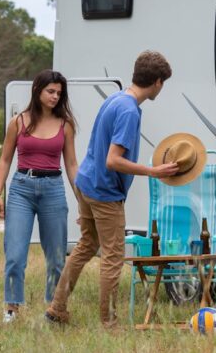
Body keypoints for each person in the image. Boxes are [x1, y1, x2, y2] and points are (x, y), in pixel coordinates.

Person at [45, 50, 179, 328]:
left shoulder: (116, 99)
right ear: (156, 82)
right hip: (104, 192)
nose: (161, 88)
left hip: (86, 182)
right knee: (113, 258)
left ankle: (58, 308)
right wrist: (153, 171)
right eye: (162, 83)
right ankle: (109, 323)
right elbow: (113, 160)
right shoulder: (129, 111)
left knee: (86, 245)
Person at [0, 70, 78, 323]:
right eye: (50, 92)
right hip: (21, 188)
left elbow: (72, 165)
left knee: (56, 255)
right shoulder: (18, 122)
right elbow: (5, 159)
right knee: (15, 254)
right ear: (37, 91)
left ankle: (54, 310)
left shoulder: (65, 125)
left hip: (53, 188)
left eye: (59, 93)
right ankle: (11, 308)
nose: (55, 97)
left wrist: (83, 202)